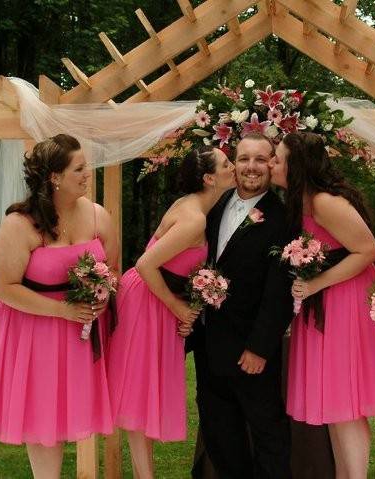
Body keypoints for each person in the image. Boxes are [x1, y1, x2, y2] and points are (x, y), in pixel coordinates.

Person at [0, 134, 118, 478]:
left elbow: (113, 268)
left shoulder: (99, 216)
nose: (88, 174)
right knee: (43, 417)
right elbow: (2, 287)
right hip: (34, 330)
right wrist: (62, 311)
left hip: (82, 331)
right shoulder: (20, 224)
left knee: (72, 411)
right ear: (54, 178)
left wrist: (102, 294)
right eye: (79, 169)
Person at [106, 146, 235, 479]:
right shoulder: (193, 217)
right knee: (136, 392)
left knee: (144, 392)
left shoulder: (197, 209)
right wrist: (176, 305)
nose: (233, 166)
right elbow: (146, 263)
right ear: (209, 178)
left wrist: (189, 302)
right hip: (145, 300)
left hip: (158, 301)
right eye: (226, 163)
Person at [268, 131, 375, 478]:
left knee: (345, 403)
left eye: (278, 157)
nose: (272, 163)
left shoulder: (324, 203)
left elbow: (368, 250)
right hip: (325, 302)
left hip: (344, 303)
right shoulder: (303, 201)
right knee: (334, 403)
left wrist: (315, 283)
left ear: (295, 165)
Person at [190, 133, 293, 478]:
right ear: (233, 163)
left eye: (260, 159)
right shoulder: (212, 205)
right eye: (244, 158)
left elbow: (280, 290)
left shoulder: (282, 218)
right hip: (210, 345)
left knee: (268, 433)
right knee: (220, 433)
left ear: (271, 164)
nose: (251, 167)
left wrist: (260, 347)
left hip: (252, 351)